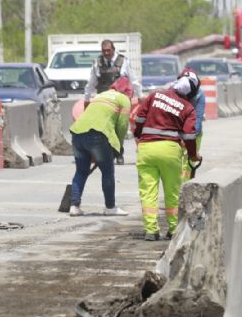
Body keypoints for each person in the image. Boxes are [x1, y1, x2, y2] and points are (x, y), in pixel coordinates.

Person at [133, 74, 200, 241]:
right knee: (172, 192)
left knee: (148, 191)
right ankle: (173, 229)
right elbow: (190, 136)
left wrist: (138, 135)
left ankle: (151, 230)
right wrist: (193, 155)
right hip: (170, 151)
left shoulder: (155, 95)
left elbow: (139, 118)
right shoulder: (188, 108)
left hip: (146, 149)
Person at [68, 77, 133, 217]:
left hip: (77, 133)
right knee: (107, 171)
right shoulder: (123, 99)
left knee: (81, 171)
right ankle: (110, 207)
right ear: (128, 91)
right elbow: (122, 126)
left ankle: (74, 206)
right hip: (98, 135)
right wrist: (119, 147)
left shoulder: (101, 95)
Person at [84, 39, 142, 164]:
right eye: (104, 51)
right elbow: (91, 82)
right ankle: (108, 153)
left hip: (121, 101)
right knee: (104, 128)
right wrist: (87, 99)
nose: (106, 53)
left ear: (113, 50)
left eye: (108, 50)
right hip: (104, 102)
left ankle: (119, 152)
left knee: (120, 128)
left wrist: (140, 96)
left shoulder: (123, 61)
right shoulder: (97, 63)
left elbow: (133, 79)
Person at [178, 67, 205, 182]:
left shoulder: (199, 95)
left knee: (187, 164)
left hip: (194, 134)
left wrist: (189, 141)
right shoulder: (176, 90)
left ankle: (183, 189)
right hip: (177, 134)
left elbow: (197, 121)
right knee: (176, 164)